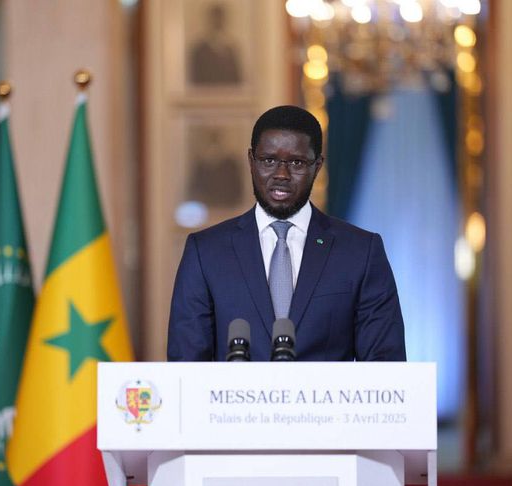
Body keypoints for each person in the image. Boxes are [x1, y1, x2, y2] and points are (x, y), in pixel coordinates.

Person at [167, 105, 406, 361]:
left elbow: (386, 365)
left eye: (297, 162)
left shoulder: (361, 252)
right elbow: (186, 366)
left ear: (317, 166)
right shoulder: (205, 252)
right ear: (251, 161)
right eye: (269, 160)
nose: (281, 174)